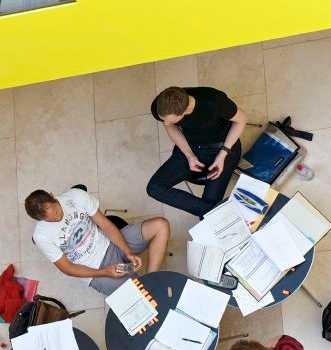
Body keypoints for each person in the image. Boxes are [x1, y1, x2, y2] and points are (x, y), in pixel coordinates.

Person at [24, 187, 170, 296]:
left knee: (160, 225)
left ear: (52, 196)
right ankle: (141, 284)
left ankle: (151, 278)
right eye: (50, 219)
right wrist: (104, 272)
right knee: (144, 297)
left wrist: (128, 252)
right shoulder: (41, 236)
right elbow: (67, 268)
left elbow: (106, 225)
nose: (57, 218)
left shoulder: (75, 196)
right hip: (96, 271)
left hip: (111, 244)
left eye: (55, 211)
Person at [146, 86, 248, 218]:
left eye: (170, 120)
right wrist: (189, 155)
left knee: (208, 207)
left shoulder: (214, 101)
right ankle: (216, 214)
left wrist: (223, 154)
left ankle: (213, 214)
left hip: (223, 148)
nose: (165, 123)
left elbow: (242, 119)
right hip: (190, 148)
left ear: (186, 111)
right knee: (154, 188)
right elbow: (169, 126)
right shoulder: (161, 105)